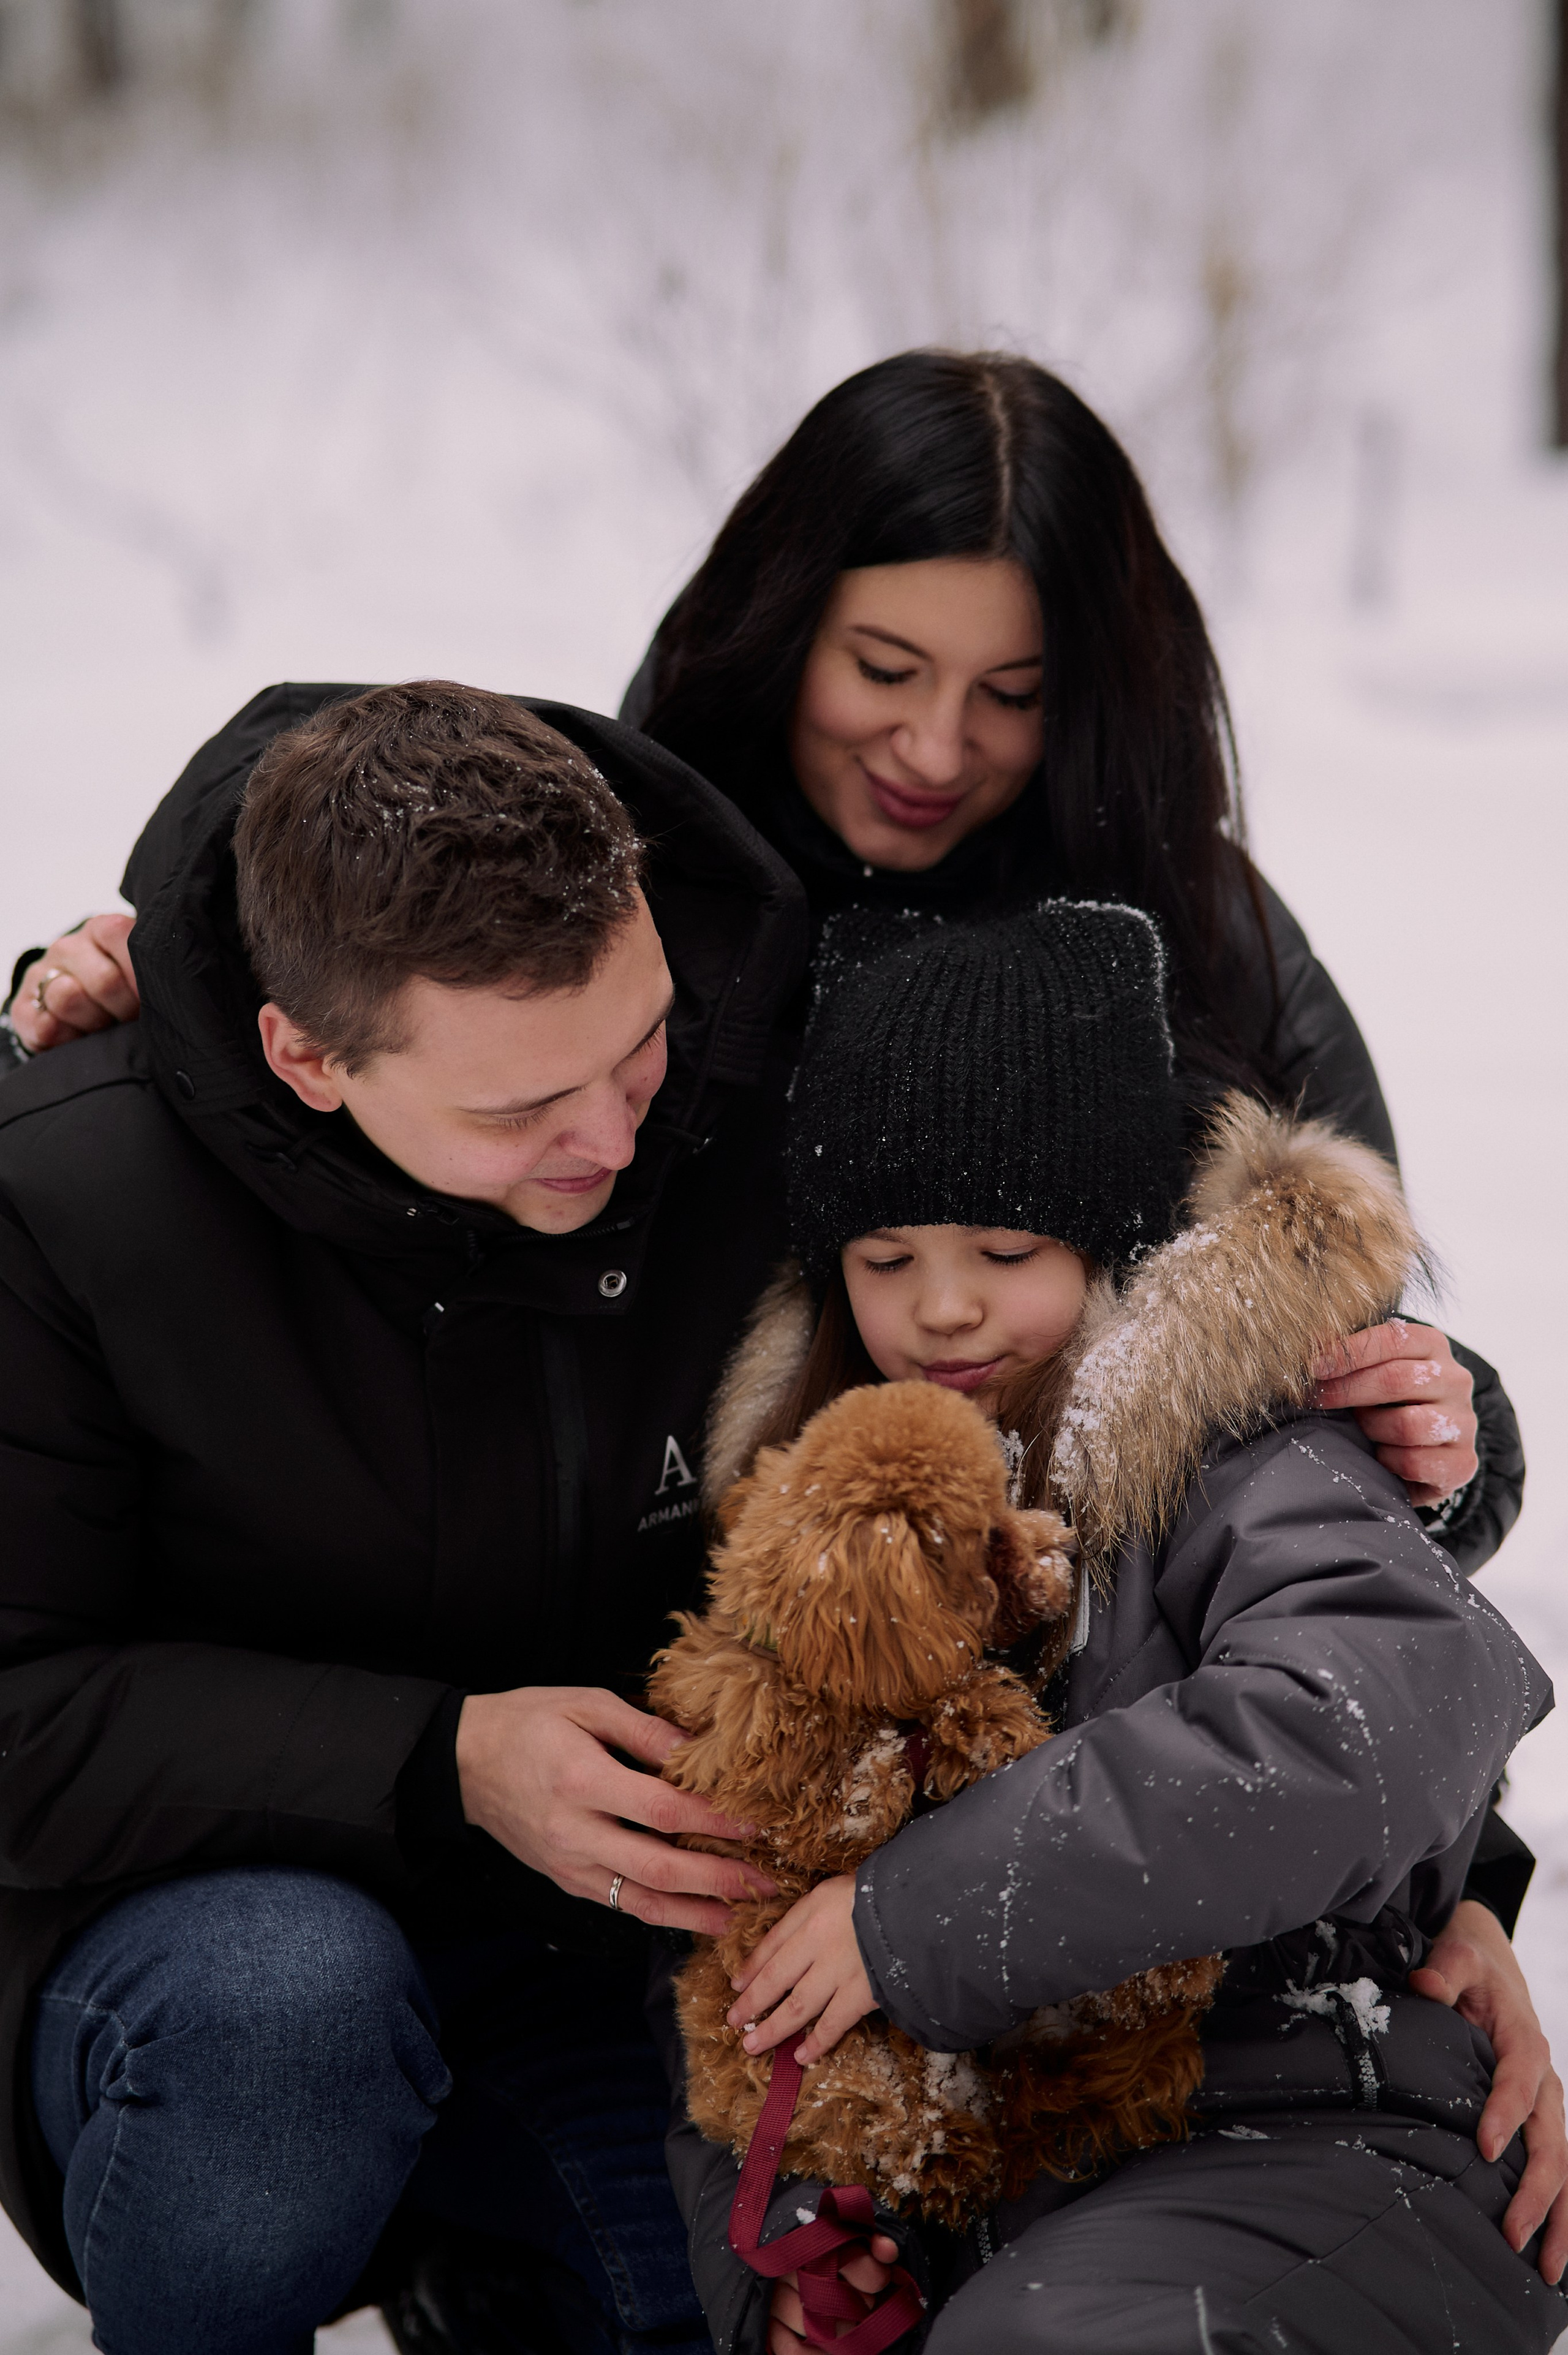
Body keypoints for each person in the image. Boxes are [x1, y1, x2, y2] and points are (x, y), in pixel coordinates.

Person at [0, 678, 812, 2353]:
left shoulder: (743, 1054)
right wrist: (439, 1758)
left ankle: (486, 2266)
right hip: (198, 1956)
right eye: (522, 1110)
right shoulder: (60, 1199)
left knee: (715, 2312)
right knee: (290, 2018)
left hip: (595, 1950)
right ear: (304, 1054)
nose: (619, 1128)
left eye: (637, 1036)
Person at [663, 901, 1562, 2355]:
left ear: (1110, 1240)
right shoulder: (824, 1524)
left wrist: (914, 1919)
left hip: (1311, 2135)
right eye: (882, 1258)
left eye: (1003, 1245)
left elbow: (1365, 1719)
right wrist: (770, 2239)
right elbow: (729, 1941)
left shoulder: (1248, 1451)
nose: (940, 1309)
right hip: (998, 2208)